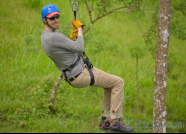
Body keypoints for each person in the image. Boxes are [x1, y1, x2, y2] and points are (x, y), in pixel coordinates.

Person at [41, 4, 133, 133]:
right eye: (52, 18)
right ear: (44, 20)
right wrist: (79, 29)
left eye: (57, 17)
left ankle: (106, 121)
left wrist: (73, 37)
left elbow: (66, 48)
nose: (56, 20)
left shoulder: (45, 37)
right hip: (81, 74)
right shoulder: (55, 36)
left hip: (73, 75)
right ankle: (115, 122)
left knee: (110, 85)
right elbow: (79, 48)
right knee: (119, 82)